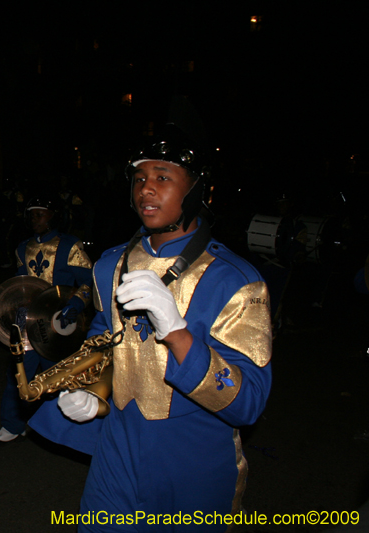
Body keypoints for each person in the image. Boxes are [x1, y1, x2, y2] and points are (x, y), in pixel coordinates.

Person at [28, 124, 272, 531]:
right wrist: (92, 390)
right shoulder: (110, 265)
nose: (146, 189)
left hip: (193, 460)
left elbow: (247, 404)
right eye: (140, 178)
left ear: (196, 190)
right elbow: (104, 341)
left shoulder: (236, 281)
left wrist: (177, 332)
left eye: (163, 177)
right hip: (117, 452)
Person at [0, 193, 94, 442]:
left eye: (40, 213)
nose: (34, 218)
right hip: (27, 321)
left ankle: (62, 428)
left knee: (58, 376)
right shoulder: (22, 247)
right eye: (30, 214)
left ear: (53, 216)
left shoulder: (71, 246)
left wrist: (76, 305)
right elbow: (20, 284)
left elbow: (89, 283)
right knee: (19, 373)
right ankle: (12, 423)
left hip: (58, 322)